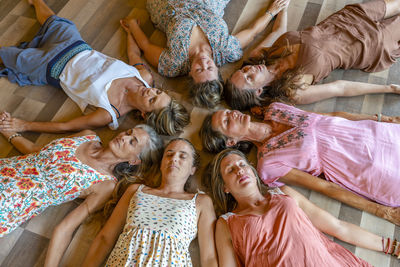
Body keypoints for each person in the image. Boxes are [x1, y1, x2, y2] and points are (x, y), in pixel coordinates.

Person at [0, 0, 189, 136]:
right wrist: (131, 30)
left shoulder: (109, 113)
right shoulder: (144, 77)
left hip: (51, 67)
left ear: (144, 113)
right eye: (157, 92)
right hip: (76, 45)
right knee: (55, 21)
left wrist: (23, 125)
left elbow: (65, 126)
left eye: (152, 100)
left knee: (8, 56)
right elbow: (134, 55)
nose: (150, 92)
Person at [200, 102, 400, 225]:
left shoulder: (275, 109)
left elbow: (330, 117)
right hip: (364, 166)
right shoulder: (268, 164)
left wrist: (384, 119)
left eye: (227, 112)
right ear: (231, 142)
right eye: (226, 122)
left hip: (376, 133)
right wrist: (382, 212)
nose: (232, 114)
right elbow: (324, 187)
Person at [0, 120, 163, 266]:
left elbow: (65, 228)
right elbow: (36, 151)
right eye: (128, 133)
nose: (124, 137)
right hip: (5, 168)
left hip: (9, 201)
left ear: (134, 160)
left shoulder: (105, 184)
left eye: (132, 142)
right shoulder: (88, 136)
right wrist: (8, 131)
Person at [207, 149, 400, 266]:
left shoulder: (284, 194)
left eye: (242, 164)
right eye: (230, 170)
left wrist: (392, 247)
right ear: (224, 187)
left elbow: (337, 226)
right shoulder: (226, 223)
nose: (239, 170)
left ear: (252, 170)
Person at [224, 0, 400, 110]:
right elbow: (340, 88)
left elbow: (278, 31)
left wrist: (279, 8)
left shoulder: (259, 54)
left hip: (347, 18)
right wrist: (389, 88)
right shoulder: (294, 91)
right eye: (249, 78)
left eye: (243, 70)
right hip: (368, 44)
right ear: (258, 91)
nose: (249, 69)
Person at [123, 0, 290, 108]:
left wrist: (132, 25)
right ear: (218, 69)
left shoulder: (172, 64)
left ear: (189, 73)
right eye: (209, 67)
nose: (203, 62)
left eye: (198, 70)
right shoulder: (227, 50)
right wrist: (272, 11)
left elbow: (145, 45)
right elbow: (252, 31)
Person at [82, 138, 217, 266]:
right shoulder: (135, 191)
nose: (174, 158)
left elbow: (209, 257)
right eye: (169, 155)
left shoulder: (200, 202)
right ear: (161, 164)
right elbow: (105, 238)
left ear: (193, 169)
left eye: (182, 156)